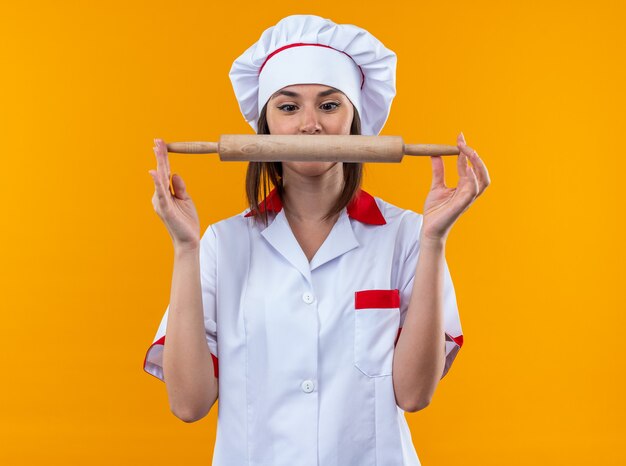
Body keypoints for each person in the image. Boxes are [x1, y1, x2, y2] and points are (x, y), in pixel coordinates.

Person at [144, 14, 490, 466]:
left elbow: (413, 395)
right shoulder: (219, 244)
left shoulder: (410, 234)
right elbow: (188, 405)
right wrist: (185, 249)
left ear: (354, 122)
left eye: (329, 106)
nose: (310, 125)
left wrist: (435, 241)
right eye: (288, 108)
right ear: (264, 127)